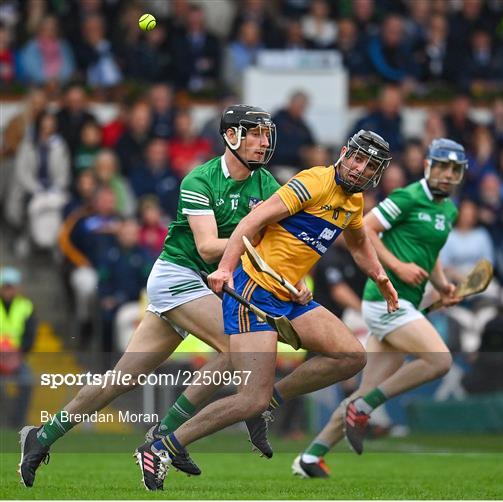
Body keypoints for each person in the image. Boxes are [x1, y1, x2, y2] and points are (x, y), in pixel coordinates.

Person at [18, 104, 282, 488]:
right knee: (236, 346)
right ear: (231, 136)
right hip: (177, 276)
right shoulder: (200, 180)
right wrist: (255, 239)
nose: (264, 141)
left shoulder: (266, 183)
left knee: (120, 379)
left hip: (203, 284)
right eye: (254, 133)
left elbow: (284, 233)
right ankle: (168, 436)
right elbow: (208, 248)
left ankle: (41, 438)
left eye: (265, 134)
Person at [137, 129, 399, 491]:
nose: (359, 168)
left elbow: (358, 243)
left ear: (377, 173)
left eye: (369, 165)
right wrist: (226, 268)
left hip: (288, 296)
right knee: (249, 398)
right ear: (343, 153)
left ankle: (270, 401)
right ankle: (163, 447)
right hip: (252, 290)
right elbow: (250, 223)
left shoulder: (353, 203)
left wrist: (381, 276)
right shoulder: (313, 182)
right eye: (356, 158)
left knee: (351, 356)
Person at [294, 138, 465, 478]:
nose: (447, 174)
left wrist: (442, 285)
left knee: (365, 388)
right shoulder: (407, 197)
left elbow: (429, 254)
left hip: (408, 302)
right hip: (384, 300)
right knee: (439, 359)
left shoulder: (449, 210)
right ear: (429, 166)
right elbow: (366, 229)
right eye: (442, 166)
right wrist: (397, 268)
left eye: (455, 169)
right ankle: (364, 408)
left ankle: (310, 457)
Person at [0, 267, 37, 428]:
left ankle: (18, 421)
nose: (8, 290)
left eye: (11, 286)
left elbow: (30, 336)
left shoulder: (26, 306)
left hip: (17, 358)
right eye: (6, 286)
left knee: (27, 381)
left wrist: (16, 354)